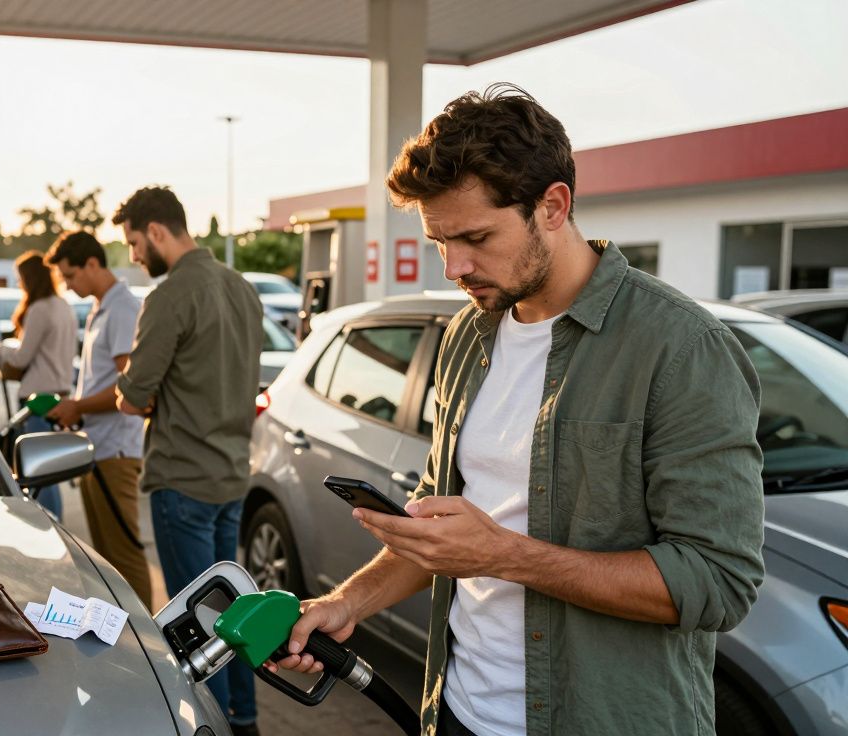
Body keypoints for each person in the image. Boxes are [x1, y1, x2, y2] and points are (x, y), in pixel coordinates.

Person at [269, 84, 764, 736]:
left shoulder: (680, 349)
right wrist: (346, 600)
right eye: (439, 241)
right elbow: (443, 535)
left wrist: (504, 553)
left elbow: (718, 581)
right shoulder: (466, 337)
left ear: (553, 205)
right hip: (458, 713)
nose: (454, 267)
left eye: (475, 236)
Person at [113, 186, 263, 735]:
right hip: (230, 476)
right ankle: (245, 720)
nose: (133, 256)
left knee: (198, 632)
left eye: (133, 243)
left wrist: (133, 388)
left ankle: (214, 726)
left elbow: (131, 395)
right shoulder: (242, 288)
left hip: (183, 480)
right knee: (235, 618)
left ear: (156, 231)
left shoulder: (171, 295)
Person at [43, 230, 154, 610]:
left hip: (117, 449)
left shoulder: (121, 309)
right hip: (99, 444)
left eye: (71, 275)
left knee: (123, 554)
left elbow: (132, 387)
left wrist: (78, 407)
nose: (68, 285)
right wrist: (76, 406)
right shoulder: (101, 306)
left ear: (93, 263)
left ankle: (150, 643)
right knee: (106, 556)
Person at [0, 251, 76, 519]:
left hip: (37, 399)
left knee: (38, 474)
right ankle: (56, 526)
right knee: (51, 471)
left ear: (30, 279)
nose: (19, 284)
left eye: (21, 278)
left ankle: (51, 528)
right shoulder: (62, 306)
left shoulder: (39, 309)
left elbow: (23, 357)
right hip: (59, 395)